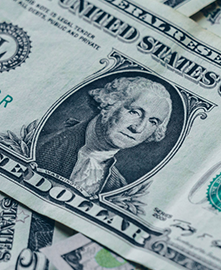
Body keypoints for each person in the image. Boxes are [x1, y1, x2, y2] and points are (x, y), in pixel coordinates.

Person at [37, 76, 172, 196]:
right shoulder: (42, 144)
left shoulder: (118, 186)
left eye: (153, 122)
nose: (138, 128)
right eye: (134, 112)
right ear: (110, 103)